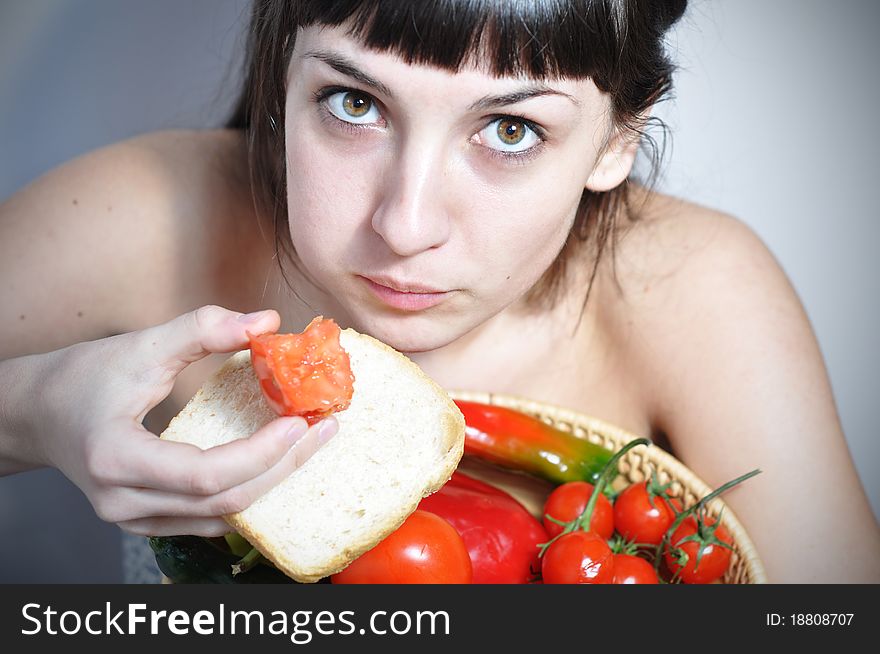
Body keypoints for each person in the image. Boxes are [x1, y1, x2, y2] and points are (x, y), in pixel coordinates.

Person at [0, 0, 877, 583]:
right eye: (352, 103)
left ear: (616, 141)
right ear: (282, 80)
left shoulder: (698, 290)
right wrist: (33, 411)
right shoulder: (140, 215)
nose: (407, 224)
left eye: (510, 128)